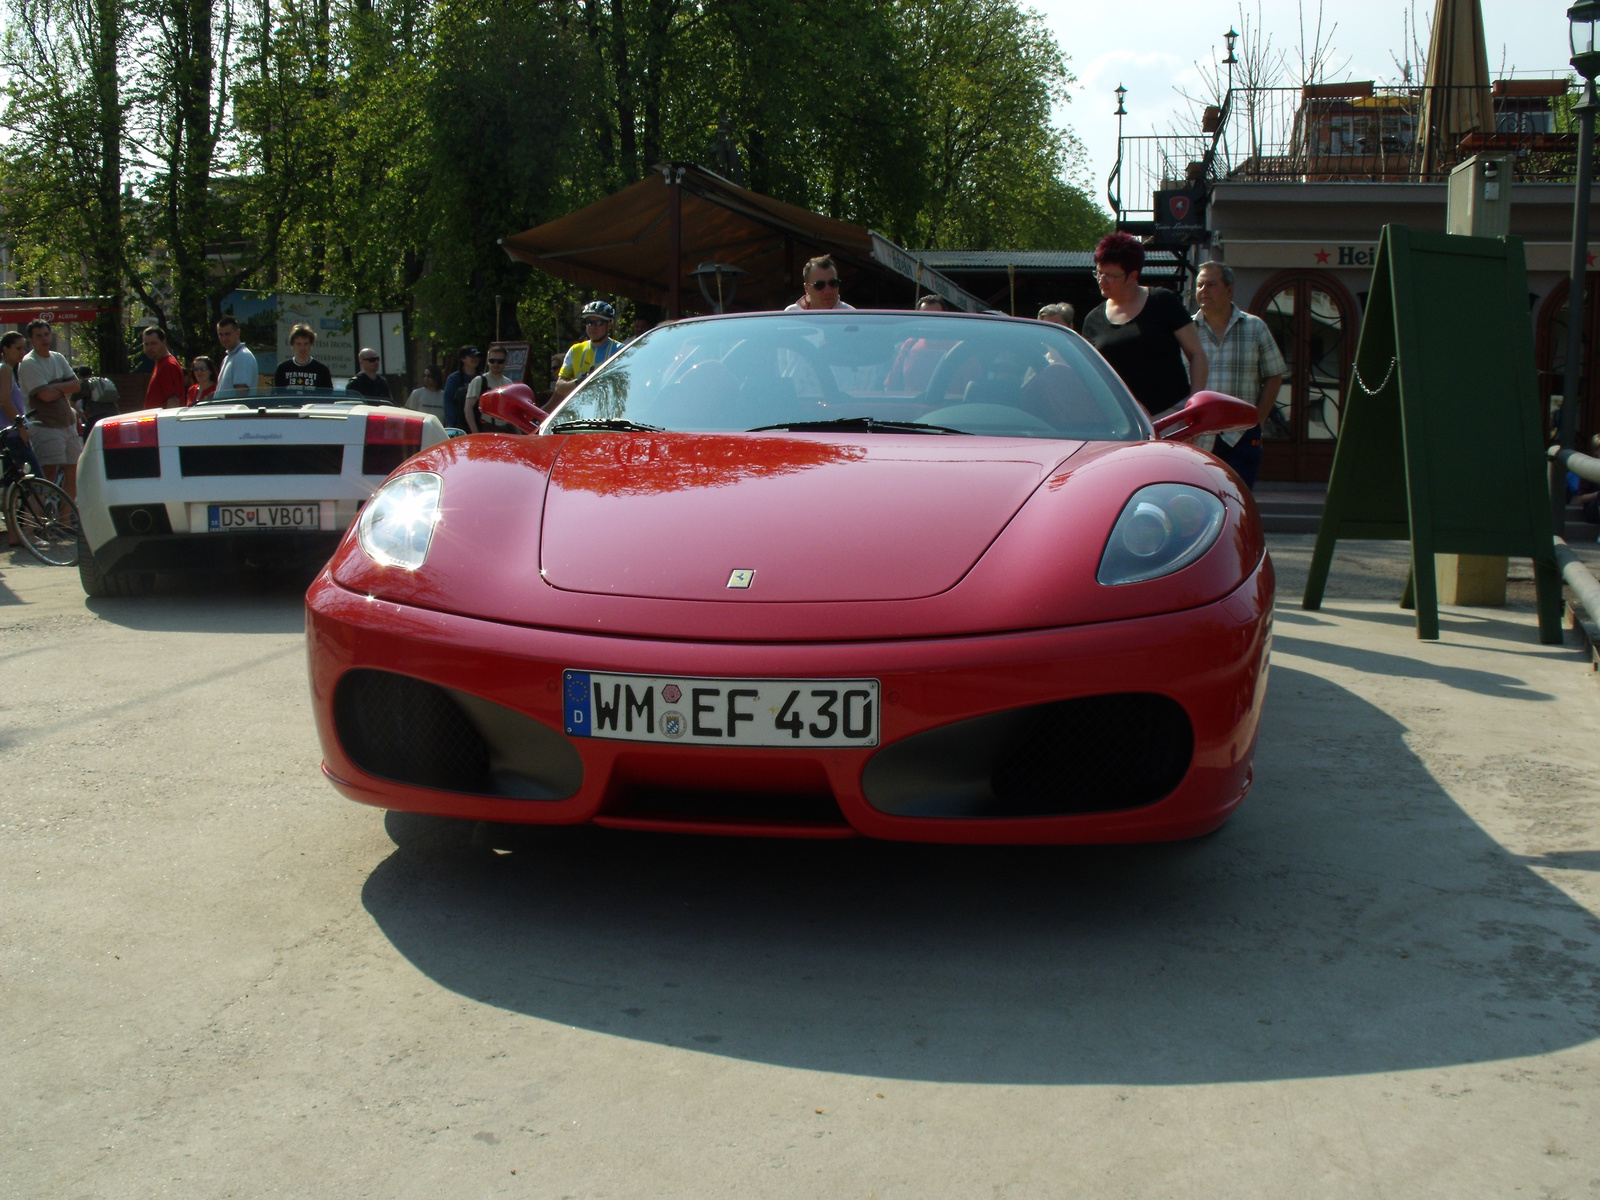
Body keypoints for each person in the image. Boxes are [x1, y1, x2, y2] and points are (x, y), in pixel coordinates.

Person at [1080, 232, 1207, 418]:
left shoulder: (1164, 301)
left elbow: (1196, 354)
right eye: (1099, 272)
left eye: (1110, 275)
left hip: (1170, 415)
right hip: (1120, 422)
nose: (1101, 280)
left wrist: (1194, 407)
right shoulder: (1093, 320)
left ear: (1133, 276)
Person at [1191, 261, 1285, 489]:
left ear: (1229, 290)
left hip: (1241, 436)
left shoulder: (1255, 327)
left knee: (1239, 504)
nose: (1203, 291)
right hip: (1198, 437)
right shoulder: (1187, 331)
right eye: (1200, 285)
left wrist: (1259, 420)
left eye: (1211, 285)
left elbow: (1274, 374)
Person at [16, 319, 83, 498]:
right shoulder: (29, 363)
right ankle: (38, 518)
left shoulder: (58, 358)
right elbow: (45, 396)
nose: (44, 339)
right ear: (31, 340)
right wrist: (63, 387)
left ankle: (65, 520)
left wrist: (55, 388)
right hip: (45, 426)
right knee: (48, 476)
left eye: (46, 334)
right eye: (39, 336)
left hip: (68, 425)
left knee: (73, 472)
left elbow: (77, 386)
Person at [553, 301, 624, 402]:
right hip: (582, 412)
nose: (593, 327)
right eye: (589, 322)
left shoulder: (620, 350)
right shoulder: (575, 350)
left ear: (609, 325)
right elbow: (559, 387)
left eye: (598, 323)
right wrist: (579, 382)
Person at [464, 346, 515, 432]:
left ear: (506, 362)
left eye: (500, 361)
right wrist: (475, 433)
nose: (496, 364)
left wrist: (519, 435)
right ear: (487, 361)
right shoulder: (479, 381)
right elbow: (468, 408)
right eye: (492, 361)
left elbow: (512, 413)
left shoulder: (509, 383)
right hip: (486, 428)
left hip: (506, 430)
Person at [273, 323, 333, 389]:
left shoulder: (322, 370)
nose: (302, 348)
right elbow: (278, 395)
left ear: (311, 345)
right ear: (292, 345)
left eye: (306, 344)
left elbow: (327, 395)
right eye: (298, 344)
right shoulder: (282, 369)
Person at [786, 255, 855, 312]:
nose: (828, 291)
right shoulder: (791, 314)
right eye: (820, 285)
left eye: (833, 283)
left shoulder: (851, 315)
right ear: (807, 288)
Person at [213, 315, 259, 399]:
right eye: (221, 335)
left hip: (235, 411)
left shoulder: (243, 356)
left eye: (227, 334)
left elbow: (241, 393)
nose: (224, 338)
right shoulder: (228, 358)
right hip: (225, 410)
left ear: (238, 332)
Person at [140, 326, 186, 409]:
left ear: (164, 342)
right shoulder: (160, 364)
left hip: (162, 420)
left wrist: (167, 422)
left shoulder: (168, 365)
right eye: (146, 344)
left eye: (154, 343)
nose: (149, 348)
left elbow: (173, 401)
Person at [442, 346, 480, 430]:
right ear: (463, 359)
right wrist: (454, 424)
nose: (475, 359)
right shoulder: (453, 379)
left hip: (477, 425)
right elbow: (448, 403)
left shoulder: (482, 378)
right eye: (471, 356)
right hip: (459, 427)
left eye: (476, 356)